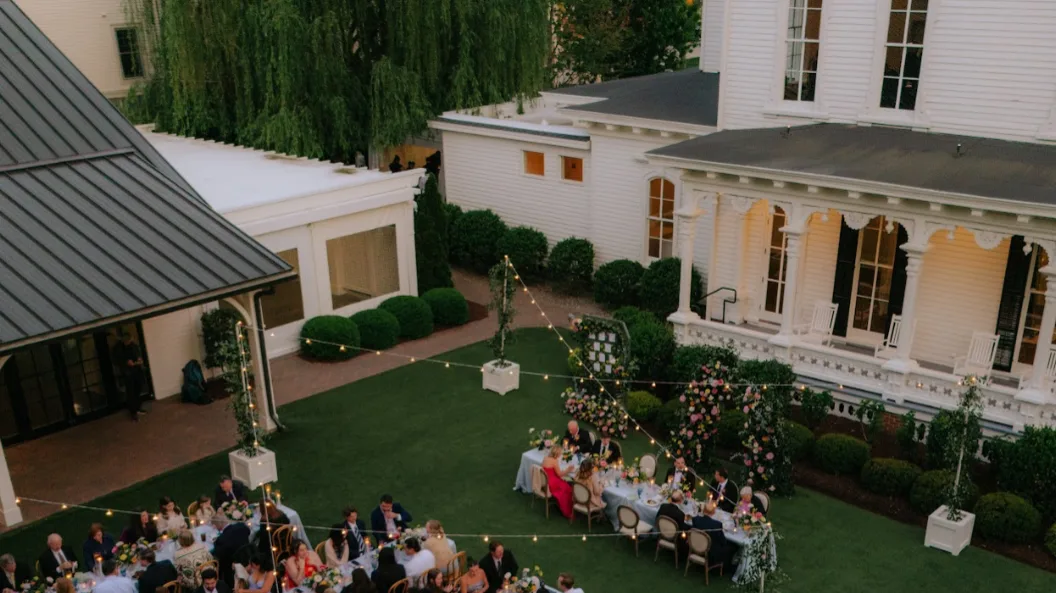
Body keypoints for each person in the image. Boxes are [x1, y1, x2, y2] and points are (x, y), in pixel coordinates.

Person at [113, 331, 147, 420]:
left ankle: (138, 407)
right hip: (128, 372)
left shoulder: (134, 346)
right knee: (130, 391)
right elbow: (117, 360)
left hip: (137, 370)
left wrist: (139, 359)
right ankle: (133, 411)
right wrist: (126, 362)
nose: (128, 341)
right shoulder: (119, 348)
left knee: (138, 388)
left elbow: (138, 353)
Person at [690, 503, 734, 570]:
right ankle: (726, 568)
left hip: (695, 546)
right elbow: (723, 541)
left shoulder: (695, 519)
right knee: (731, 547)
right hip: (709, 552)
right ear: (714, 512)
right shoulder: (716, 524)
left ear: (703, 510)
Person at [211, 514, 250, 586]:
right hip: (247, 558)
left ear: (217, 525)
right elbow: (248, 532)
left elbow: (218, 555)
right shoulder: (241, 526)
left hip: (232, 567)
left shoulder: (221, 539)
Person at [541, 445, 574, 519]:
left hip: (547, 480)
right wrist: (568, 470)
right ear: (556, 454)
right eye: (560, 454)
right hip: (552, 483)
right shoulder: (554, 461)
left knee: (565, 484)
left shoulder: (545, 458)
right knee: (567, 488)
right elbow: (559, 474)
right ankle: (567, 509)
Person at [656, 491, 691, 556]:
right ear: (680, 501)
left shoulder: (663, 506)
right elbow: (680, 530)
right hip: (673, 537)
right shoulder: (680, 514)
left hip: (662, 532)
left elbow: (657, 519)